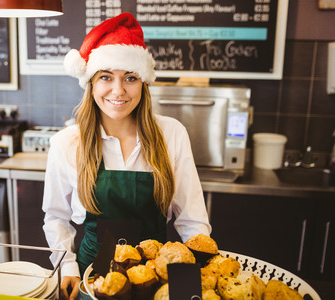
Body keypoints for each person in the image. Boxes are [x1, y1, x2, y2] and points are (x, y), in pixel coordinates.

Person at [42, 12, 211, 300]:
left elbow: (192, 221)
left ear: (143, 83)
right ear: (91, 83)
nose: (118, 91)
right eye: (106, 77)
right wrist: (67, 265)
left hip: (158, 278)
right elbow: (56, 216)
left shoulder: (171, 134)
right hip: (90, 277)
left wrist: (198, 277)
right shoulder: (67, 142)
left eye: (130, 78)